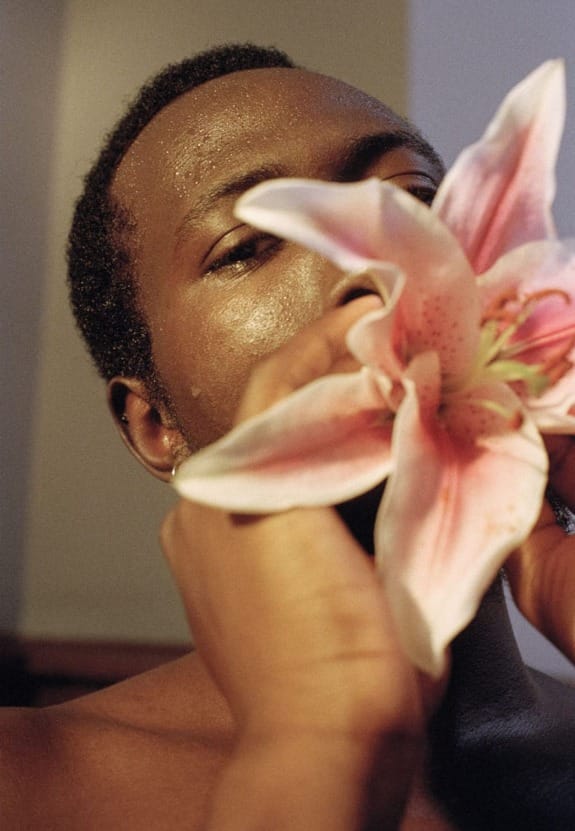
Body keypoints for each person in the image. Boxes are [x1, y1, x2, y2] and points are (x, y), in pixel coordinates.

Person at [3, 43, 575, 829]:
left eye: (409, 196)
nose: (377, 269)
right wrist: (316, 752)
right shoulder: (27, 781)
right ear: (155, 425)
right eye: (247, 244)